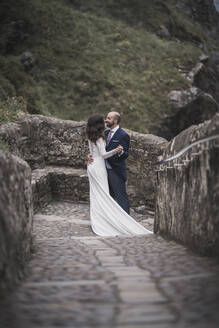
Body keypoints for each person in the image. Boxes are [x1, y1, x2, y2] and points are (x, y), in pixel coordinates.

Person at [86, 113, 152, 236]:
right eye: (105, 118)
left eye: (109, 118)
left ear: (116, 121)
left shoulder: (123, 135)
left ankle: (125, 222)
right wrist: (89, 156)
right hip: (101, 169)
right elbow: (99, 152)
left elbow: (125, 154)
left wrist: (119, 152)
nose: (106, 120)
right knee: (105, 196)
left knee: (121, 196)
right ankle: (107, 220)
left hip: (114, 170)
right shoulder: (103, 133)